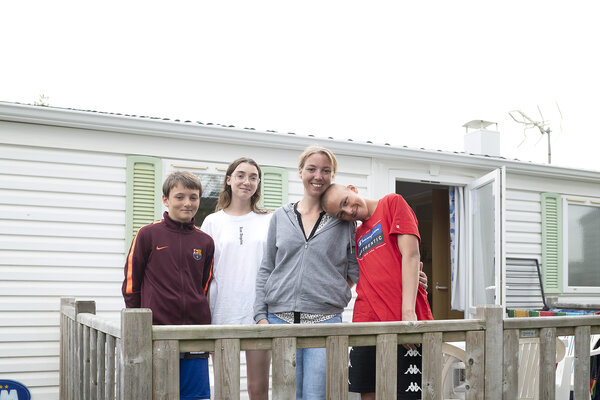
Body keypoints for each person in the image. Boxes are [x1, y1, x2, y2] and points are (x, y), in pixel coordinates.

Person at [254, 145, 360, 400]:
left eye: (326, 170)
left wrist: (332, 290)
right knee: (285, 396)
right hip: (279, 321)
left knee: (315, 396)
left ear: (332, 175)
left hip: (324, 323)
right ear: (300, 171)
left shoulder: (343, 219)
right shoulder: (280, 216)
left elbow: (355, 268)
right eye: (311, 169)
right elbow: (267, 267)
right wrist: (260, 316)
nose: (318, 176)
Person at [321, 183, 433, 400]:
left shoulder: (392, 203)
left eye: (346, 202)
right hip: (366, 321)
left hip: (400, 318)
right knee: (368, 392)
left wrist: (408, 314)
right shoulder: (358, 233)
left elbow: (411, 256)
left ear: (352, 189)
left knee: (407, 394)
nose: (349, 211)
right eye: (341, 214)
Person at [122, 171, 214, 400]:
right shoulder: (148, 234)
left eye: (193, 197)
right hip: (157, 331)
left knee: (195, 397)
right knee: (159, 394)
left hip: (195, 332)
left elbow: (203, 285)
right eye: (180, 197)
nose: (187, 203)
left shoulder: (205, 241)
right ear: (166, 199)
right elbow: (131, 283)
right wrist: (138, 323)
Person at [201, 157, 272, 400]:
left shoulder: (269, 220)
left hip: (259, 313)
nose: (246, 181)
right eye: (241, 175)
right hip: (222, 313)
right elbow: (204, 272)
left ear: (258, 184)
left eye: (253, 177)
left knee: (258, 389)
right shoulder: (212, 221)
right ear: (229, 180)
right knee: (225, 389)